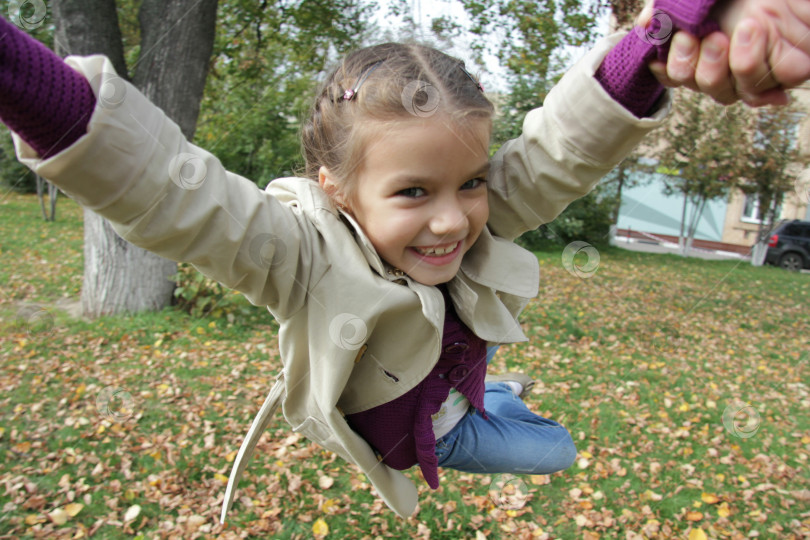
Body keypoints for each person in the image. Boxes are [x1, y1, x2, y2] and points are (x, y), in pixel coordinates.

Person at [1, 0, 809, 523]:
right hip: (418, 429)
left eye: (470, 183)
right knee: (555, 449)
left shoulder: (467, 213)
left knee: (496, 376)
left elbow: (561, 153)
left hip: (450, 374)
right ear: (339, 189)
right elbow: (177, 193)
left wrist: (658, 37)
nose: (452, 219)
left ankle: (482, 389)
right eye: (414, 191)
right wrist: (17, 74)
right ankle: (477, 407)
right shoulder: (296, 256)